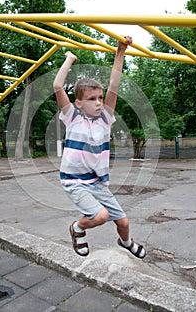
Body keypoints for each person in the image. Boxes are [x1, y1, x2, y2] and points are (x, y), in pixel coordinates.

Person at [53, 37, 146, 259]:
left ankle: (126, 242)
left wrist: (120, 51)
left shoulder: (105, 119)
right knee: (100, 216)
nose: (98, 102)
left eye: (100, 98)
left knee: (123, 221)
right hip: (74, 181)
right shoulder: (72, 118)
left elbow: (114, 85)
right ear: (79, 103)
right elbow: (57, 86)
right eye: (91, 99)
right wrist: (69, 60)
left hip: (97, 182)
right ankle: (77, 228)